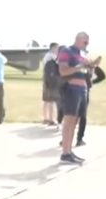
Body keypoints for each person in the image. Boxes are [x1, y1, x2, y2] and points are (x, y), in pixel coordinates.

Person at [57, 32, 100, 164]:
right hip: (71, 89)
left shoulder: (82, 54)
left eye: (87, 43)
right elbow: (63, 71)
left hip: (82, 89)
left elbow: (86, 72)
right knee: (69, 120)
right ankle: (65, 153)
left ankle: (69, 151)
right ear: (78, 39)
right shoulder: (66, 51)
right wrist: (80, 66)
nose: (86, 45)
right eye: (85, 42)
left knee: (75, 121)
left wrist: (91, 66)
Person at [41, 42, 61, 125]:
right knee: (51, 101)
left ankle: (45, 118)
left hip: (46, 80)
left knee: (46, 100)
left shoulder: (46, 56)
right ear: (53, 48)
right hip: (52, 81)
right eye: (57, 48)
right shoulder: (52, 56)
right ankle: (51, 119)